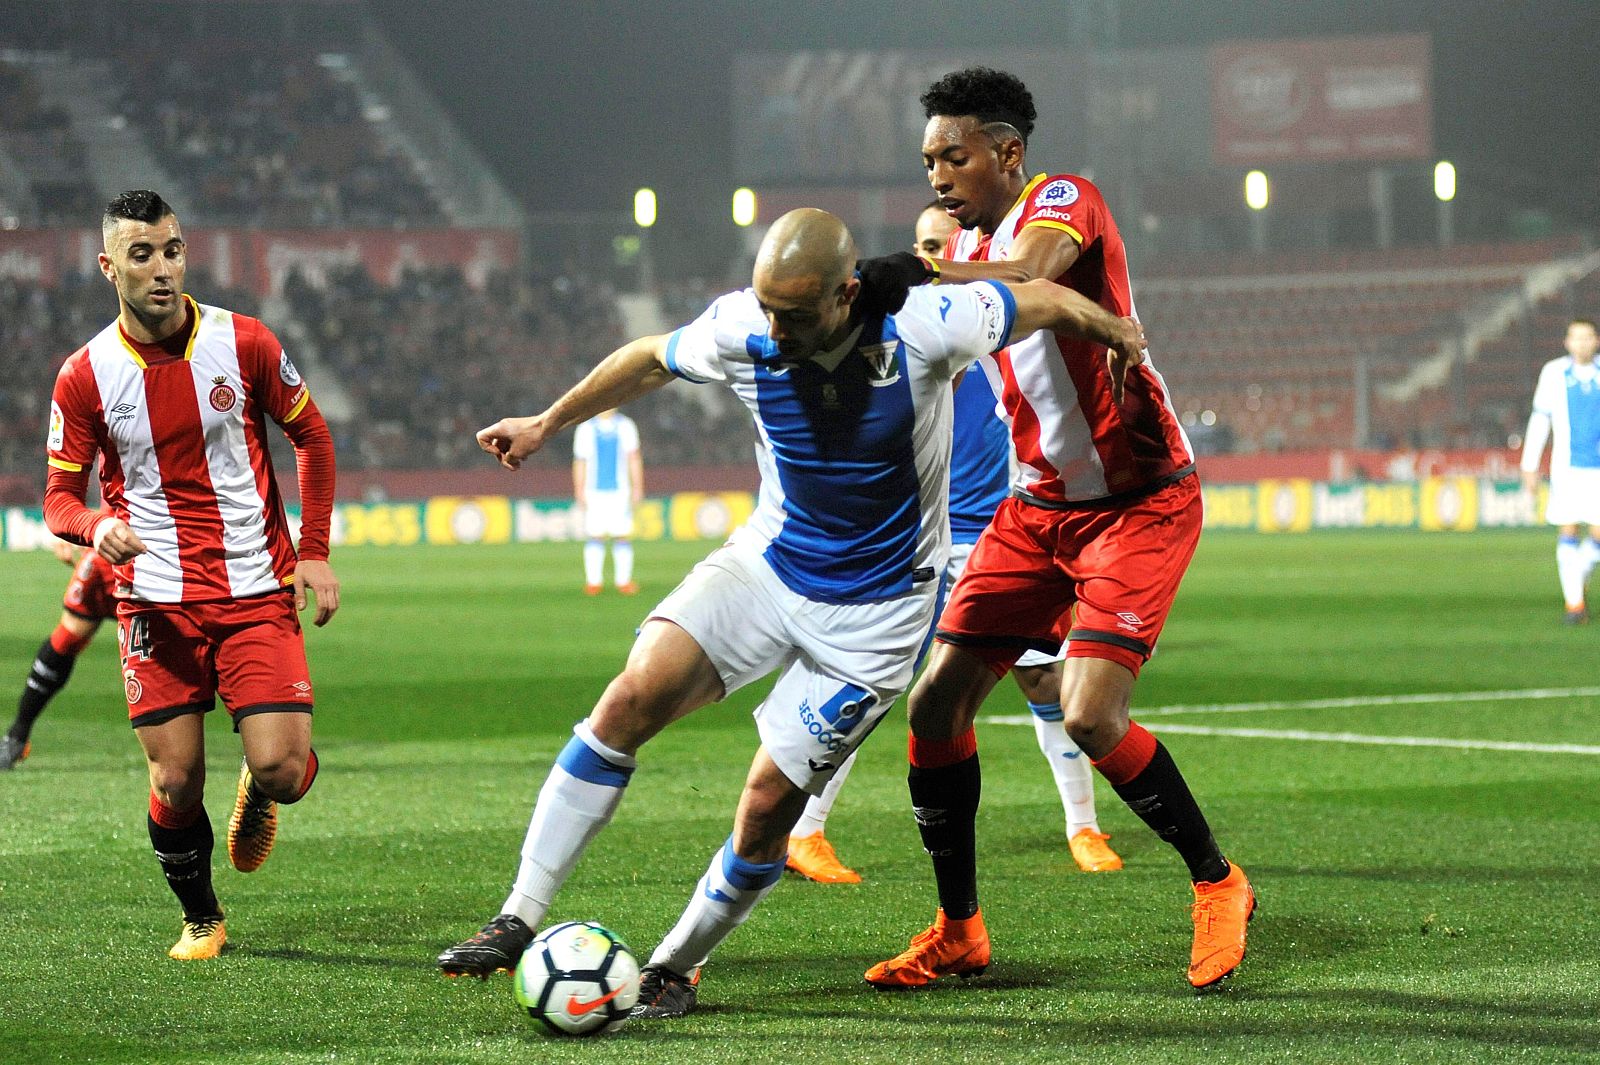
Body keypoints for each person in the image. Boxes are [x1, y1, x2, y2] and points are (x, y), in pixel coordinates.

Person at [435, 208, 1146, 1019]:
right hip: (766, 567)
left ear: (846, 294)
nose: (776, 330)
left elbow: (1041, 298)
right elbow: (649, 357)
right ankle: (517, 915)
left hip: (876, 620)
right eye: (769, 309)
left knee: (768, 804)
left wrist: (1115, 330)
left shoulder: (930, 321)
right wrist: (546, 422)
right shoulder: (745, 325)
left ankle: (674, 968)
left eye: (795, 315)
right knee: (629, 696)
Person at [856, 67, 1253, 993]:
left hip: (1138, 502)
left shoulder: (1063, 199)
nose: (938, 175)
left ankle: (1218, 881)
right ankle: (960, 929)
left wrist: (922, 270)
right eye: (928, 160)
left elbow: (1032, 274)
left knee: (1089, 712)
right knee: (934, 705)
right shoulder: (963, 247)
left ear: (1008, 151)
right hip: (1036, 510)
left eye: (954, 155)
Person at [42, 190, 339, 961]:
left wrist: (313, 549)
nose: (162, 268)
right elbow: (58, 498)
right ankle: (203, 915)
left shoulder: (246, 342)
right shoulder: (85, 375)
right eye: (141, 254)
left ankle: (259, 787)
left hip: (253, 589)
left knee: (283, 769)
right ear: (109, 267)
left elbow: (311, 435)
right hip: (154, 602)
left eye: (172, 250)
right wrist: (95, 526)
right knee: (174, 781)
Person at [786, 202, 1120, 884]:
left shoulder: (1001, 332)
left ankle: (1083, 826)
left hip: (1000, 535)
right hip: (926, 543)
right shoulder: (903, 339)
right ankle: (804, 830)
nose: (932, 259)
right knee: (875, 682)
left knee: (1043, 677)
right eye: (923, 248)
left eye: (942, 246)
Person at [1, 534, 118, 770]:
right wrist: (70, 531)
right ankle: (16, 737)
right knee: (68, 637)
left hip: (166, 555)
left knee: (174, 637)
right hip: (107, 555)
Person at [1520, 317, 1600, 624]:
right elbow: (1540, 419)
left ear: (1596, 341)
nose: (1582, 343)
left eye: (1587, 337)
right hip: (1566, 470)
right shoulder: (1553, 373)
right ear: (1567, 342)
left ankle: (1576, 577)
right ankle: (1575, 605)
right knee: (1568, 529)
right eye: (1576, 337)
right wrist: (1529, 465)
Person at [572, 408, 644, 595]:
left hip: (621, 491)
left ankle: (624, 581)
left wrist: (637, 487)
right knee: (595, 535)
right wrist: (579, 489)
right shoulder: (586, 428)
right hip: (593, 491)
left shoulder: (626, 426)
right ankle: (593, 582)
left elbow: (634, 458)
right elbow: (580, 461)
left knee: (622, 535)